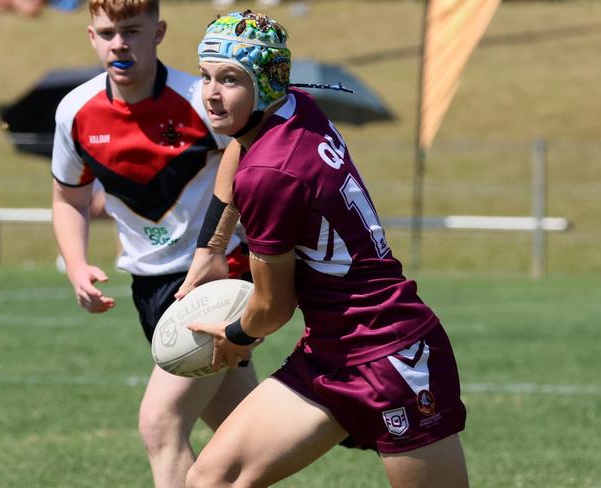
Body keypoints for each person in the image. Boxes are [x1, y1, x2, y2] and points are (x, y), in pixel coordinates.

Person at [178, 10, 469, 487]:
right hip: (328, 354)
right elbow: (239, 146)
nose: (211, 93)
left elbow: (273, 308)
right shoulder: (295, 107)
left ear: (264, 83)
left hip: (392, 356)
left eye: (230, 79)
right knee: (212, 480)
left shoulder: (270, 175)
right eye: (206, 76)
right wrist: (210, 247)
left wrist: (235, 337)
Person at [50, 2, 258, 487]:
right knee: (244, 436)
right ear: (91, 37)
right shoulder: (75, 111)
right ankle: (341, 418)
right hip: (149, 286)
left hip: (212, 278)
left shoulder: (199, 97)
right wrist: (78, 264)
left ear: (158, 32)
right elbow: (68, 197)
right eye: (106, 33)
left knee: (161, 424)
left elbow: (251, 168)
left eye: (131, 31)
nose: (118, 43)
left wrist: (231, 251)